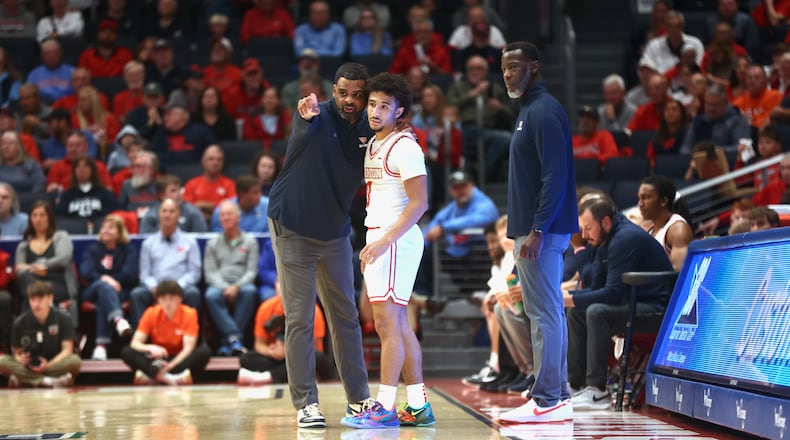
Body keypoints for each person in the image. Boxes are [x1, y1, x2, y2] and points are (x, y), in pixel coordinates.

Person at [267, 62, 376, 428]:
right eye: (343, 93)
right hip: (293, 226)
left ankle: (359, 400)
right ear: (334, 91)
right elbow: (302, 126)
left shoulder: (369, 127)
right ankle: (306, 404)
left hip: (335, 231)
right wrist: (304, 115)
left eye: (357, 95)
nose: (349, 100)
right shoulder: (314, 116)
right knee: (299, 318)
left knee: (345, 315)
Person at [340, 72, 433, 429]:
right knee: (397, 324)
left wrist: (383, 241)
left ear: (401, 111)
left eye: (384, 106)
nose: (376, 111)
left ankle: (384, 405)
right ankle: (419, 404)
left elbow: (420, 203)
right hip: (381, 238)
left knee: (387, 324)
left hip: (395, 239)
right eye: (373, 104)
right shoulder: (376, 142)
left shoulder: (405, 146)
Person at [497, 41, 578, 424]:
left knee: (543, 313)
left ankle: (547, 399)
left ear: (534, 66)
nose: (508, 74)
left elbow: (555, 175)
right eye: (504, 69)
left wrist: (538, 229)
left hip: (540, 232)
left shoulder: (543, 111)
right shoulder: (529, 110)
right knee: (545, 312)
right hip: (536, 229)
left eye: (514, 67)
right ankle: (556, 394)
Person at [564, 197, 673, 410]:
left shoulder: (625, 239)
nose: (583, 235)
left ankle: (598, 391)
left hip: (657, 311)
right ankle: (576, 385)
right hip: (632, 304)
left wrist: (567, 298)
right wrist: (571, 299)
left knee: (596, 311)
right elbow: (595, 283)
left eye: (588, 228)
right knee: (577, 312)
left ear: (605, 222)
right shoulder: (605, 238)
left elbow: (613, 294)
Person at [237, 280, 328, 385]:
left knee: (316, 358)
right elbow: (259, 344)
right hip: (277, 358)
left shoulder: (312, 310)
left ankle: (267, 376)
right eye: (281, 282)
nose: (285, 287)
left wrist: (289, 351)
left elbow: (315, 347)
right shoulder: (265, 307)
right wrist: (271, 352)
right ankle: (287, 375)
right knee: (246, 358)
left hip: (300, 355)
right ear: (275, 286)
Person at [121, 279, 210, 385]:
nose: (168, 303)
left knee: (204, 352)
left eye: (172, 298)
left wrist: (170, 366)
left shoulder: (190, 314)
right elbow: (135, 343)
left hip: (179, 357)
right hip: (157, 358)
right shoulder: (151, 313)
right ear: (158, 300)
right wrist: (150, 347)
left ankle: (153, 376)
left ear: (180, 299)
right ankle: (167, 378)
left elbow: (188, 348)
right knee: (126, 351)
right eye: (163, 299)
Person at [130, 198, 202, 327]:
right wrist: (154, 288)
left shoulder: (190, 241)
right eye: (164, 211)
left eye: (171, 211)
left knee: (193, 293)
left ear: (178, 215)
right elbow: (144, 274)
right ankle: (140, 339)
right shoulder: (149, 243)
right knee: (137, 294)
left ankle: (192, 337)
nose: (167, 215)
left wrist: (176, 288)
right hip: (155, 288)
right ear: (159, 214)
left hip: (181, 288)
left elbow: (194, 273)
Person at [204, 200, 259, 356]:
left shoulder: (250, 241)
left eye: (229, 214)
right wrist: (224, 287)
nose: (226, 218)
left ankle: (228, 341)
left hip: (242, 283)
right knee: (211, 294)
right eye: (222, 215)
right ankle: (234, 338)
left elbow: (251, 272)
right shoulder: (212, 243)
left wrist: (236, 286)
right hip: (220, 284)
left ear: (238, 217)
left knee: (250, 291)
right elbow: (210, 273)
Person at [0, 281, 81, 387]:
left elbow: (67, 350)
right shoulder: (19, 323)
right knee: (2, 362)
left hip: (54, 363)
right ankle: (48, 381)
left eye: (40, 300)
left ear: (50, 298)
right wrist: (22, 359)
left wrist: (47, 366)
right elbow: (17, 353)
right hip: (28, 366)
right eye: (33, 300)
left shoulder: (64, 319)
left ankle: (25, 379)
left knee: (75, 362)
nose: (36, 304)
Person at [78, 215, 137, 360]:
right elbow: (85, 272)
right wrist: (104, 279)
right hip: (92, 290)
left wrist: (112, 280)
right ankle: (118, 319)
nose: (105, 230)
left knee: (104, 300)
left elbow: (130, 274)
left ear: (119, 232)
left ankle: (101, 347)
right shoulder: (92, 250)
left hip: (119, 291)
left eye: (110, 228)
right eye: (104, 227)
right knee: (103, 287)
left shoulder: (127, 250)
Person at [14, 201, 78, 324]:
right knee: (24, 278)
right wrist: (35, 268)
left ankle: (44, 303)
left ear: (49, 217)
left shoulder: (60, 236)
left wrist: (45, 265)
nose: (38, 219)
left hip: (58, 285)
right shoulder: (24, 245)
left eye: (42, 215)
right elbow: (19, 269)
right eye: (35, 215)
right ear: (30, 219)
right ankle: (47, 303)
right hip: (31, 287)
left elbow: (64, 258)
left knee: (31, 295)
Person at [637, 175, 694, 271]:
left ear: (663, 201)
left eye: (645, 198)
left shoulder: (678, 229)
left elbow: (678, 273)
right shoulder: (651, 229)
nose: (640, 204)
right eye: (639, 198)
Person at [139, 174, 208, 234]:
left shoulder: (193, 213)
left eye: (179, 189)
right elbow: (145, 240)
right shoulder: (151, 216)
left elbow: (200, 240)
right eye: (173, 191)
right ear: (162, 195)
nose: (178, 194)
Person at [182, 145, 236, 222]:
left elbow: (231, 206)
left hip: (222, 222)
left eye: (219, 160)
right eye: (211, 159)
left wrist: (202, 204)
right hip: (196, 222)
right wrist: (215, 206)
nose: (215, 162)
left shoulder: (230, 184)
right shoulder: (191, 184)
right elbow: (188, 208)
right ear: (203, 161)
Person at [55, 156, 117, 221]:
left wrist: (95, 224)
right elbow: (60, 217)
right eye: (78, 166)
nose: (81, 170)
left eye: (85, 166)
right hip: (73, 230)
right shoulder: (66, 195)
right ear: (74, 171)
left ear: (92, 170)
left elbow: (113, 215)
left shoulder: (105, 194)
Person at [27, 39, 75, 104]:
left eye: (55, 52)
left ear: (61, 54)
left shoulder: (73, 72)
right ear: (42, 56)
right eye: (47, 53)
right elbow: (29, 96)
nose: (52, 56)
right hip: (42, 107)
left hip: (67, 106)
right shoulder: (34, 74)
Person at [117, 150, 159, 215]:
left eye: (139, 166)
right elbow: (120, 210)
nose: (135, 170)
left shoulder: (160, 185)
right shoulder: (127, 185)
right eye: (134, 166)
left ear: (151, 169)